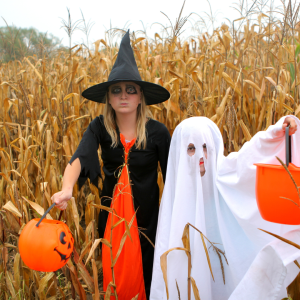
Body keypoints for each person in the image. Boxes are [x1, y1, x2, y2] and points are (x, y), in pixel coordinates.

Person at [51, 30, 171, 300]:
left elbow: (176, 174)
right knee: (113, 278)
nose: (124, 95)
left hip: (148, 224)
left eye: (131, 90)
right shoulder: (100, 128)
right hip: (111, 221)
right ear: (108, 97)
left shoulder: (158, 133)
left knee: (148, 279)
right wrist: (67, 188)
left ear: (141, 96)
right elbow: (80, 157)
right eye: (116, 90)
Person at [150, 115, 300, 300]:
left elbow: (250, 158)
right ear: (179, 153)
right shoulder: (175, 197)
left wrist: (276, 132)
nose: (200, 156)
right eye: (191, 149)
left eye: (205, 147)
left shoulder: (224, 176)